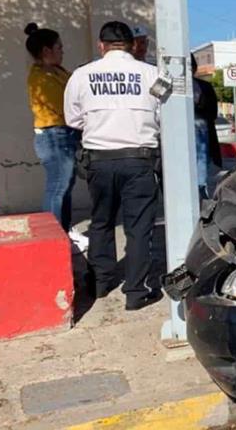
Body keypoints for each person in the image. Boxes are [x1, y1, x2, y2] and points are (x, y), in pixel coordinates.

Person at [64, 21, 163, 311]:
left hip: (100, 160)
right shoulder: (153, 74)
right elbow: (164, 114)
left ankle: (101, 282)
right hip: (139, 159)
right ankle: (136, 291)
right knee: (139, 226)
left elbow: (73, 119)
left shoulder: (81, 75)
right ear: (133, 45)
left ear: (101, 45)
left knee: (102, 221)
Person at [24, 23, 82, 234]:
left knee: (65, 186)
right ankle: (52, 234)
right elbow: (65, 107)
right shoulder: (42, 78)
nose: (62, 52)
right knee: (58, 186)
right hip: (54, 135)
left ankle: (63, 231)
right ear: (47, 51)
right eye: (59, 48)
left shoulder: (56, 72)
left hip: (64, 134)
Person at [191, 54, 221, 199]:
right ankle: (200, 192)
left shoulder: (204, 86)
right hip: (199, 133)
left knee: (201, 166)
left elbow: (212, 113)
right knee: (200, 166)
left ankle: (201, 192)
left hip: (202, 132)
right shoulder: (203, 86)